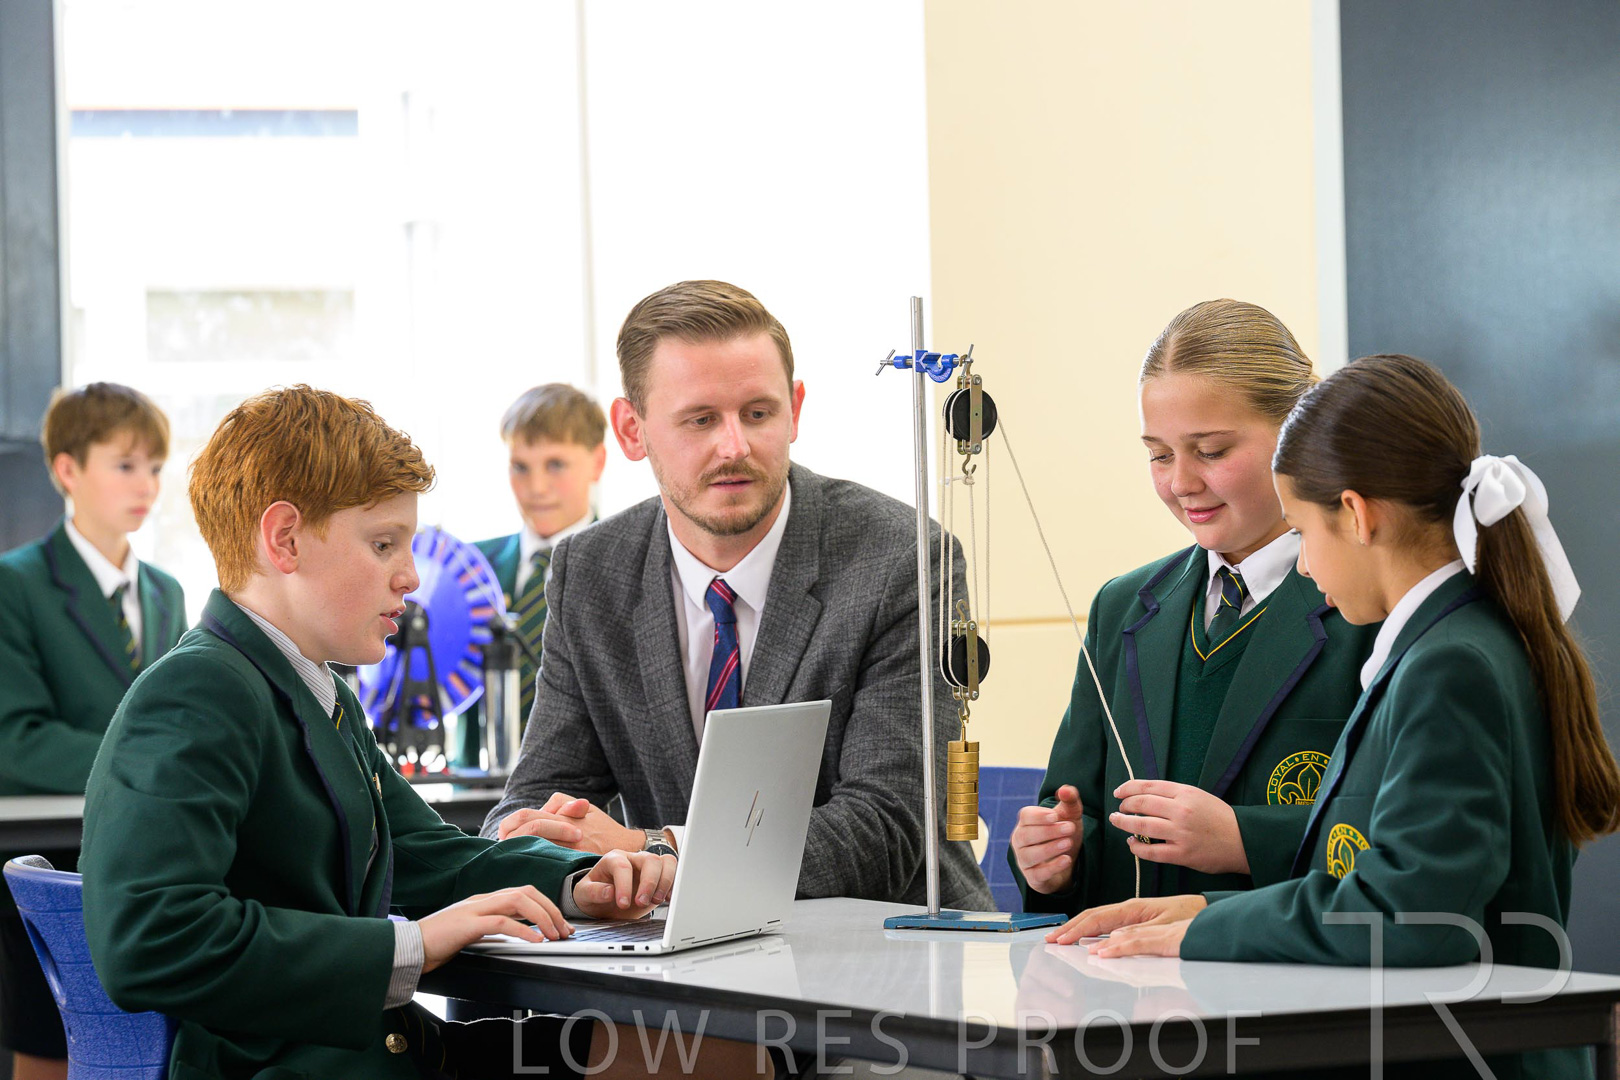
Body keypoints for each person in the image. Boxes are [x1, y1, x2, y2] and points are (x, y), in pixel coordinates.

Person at [78, 385, 731, 1080]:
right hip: (301, 1068)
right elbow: (150, 940)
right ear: (285, 539)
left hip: (376, 1054)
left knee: (718, 1054)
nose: (411, 577)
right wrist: (410, 945)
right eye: (383, 544)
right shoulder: (198, 692)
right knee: (709, 1057)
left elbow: (422, 852)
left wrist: (577, 884)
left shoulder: (310, 688)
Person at [1051, 354, 1620, 1080]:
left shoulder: (1451, 663)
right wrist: (1200, 907)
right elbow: (1373, 874)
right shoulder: (1445, 645)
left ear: (1356, 515)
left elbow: (1410, 919)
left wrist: (1208, 927)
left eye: (1303, 532)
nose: (1305, 567)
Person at [482, 279, 991, 909]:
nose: (734, 447)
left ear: (795, 410)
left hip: (888, 946)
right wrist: (548, 851)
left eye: (757, 413)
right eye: (701, 420)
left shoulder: (901, 558)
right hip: (676, 953)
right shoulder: (590, 572)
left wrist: (657, 852)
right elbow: (534, 800)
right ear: (632, 430)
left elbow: (885, 830)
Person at [1010, 300, 1377, 914]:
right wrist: (1055, 857)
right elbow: (1078, 808)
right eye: (1159, 455)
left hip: (1285, 965)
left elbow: (1409, 831)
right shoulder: (1121, 609)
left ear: (1298, 435)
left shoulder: (1369, 604)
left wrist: (1247, 840)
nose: (1180, 482)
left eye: (1210, 451)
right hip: (1128, 968)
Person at [0, 382, 185, 1080]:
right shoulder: (16, 584)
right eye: (125, 464)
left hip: (152, 861)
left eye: (155, 467)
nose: (146, 485)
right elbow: (15, 742)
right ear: (67, 469)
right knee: (52, 1053)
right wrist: (150, 764)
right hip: (55, 860)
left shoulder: (167, 591)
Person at [457, 384, 607, 767]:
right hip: (476, 788)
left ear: (598, 462)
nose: (536, 488)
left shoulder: (626, 568)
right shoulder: (468, 568)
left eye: (555, 465)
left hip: (590, 793)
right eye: (520, 467)